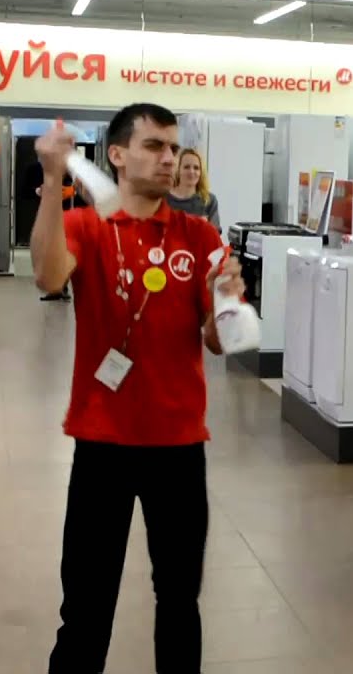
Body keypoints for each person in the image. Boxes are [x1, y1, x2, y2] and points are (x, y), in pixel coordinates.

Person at [30, 103, 243, 674]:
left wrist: (226, 304)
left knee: (179, 601)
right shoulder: (87, 225)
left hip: (179, 446)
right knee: (86, 609)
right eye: (154, 146)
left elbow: (218, 343)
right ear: (118, 155)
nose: (169, 158)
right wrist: (52, 179)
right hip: (103, 444)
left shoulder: (199, 235)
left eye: (173, 147)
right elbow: (48, 275)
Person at [168, 147, 221, 231]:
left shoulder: (209, 200)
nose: (191, 171)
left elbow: (215, 234)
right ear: (178, 170)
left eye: (196, 168)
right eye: (186, 167)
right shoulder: (163, 199)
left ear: (201, 172)